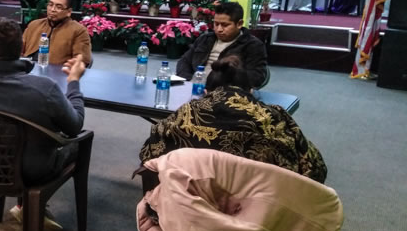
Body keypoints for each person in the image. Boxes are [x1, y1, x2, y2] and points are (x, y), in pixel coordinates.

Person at [0, 18, 87, 231]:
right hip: (33, 172)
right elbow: (75, 125)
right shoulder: (44, 89)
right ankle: (33, 206)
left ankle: (26, 206)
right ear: (23, 49)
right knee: (81, 142)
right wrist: (74, 81)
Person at [140, 55, 327, 183]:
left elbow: (149, 155)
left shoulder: (187, 112)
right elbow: (316, 168)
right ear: (250, 90)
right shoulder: (275, 115)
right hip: (263, 212)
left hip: (191, 205)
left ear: (205, 91)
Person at [176, 2, 268, 89]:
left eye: (225, 25)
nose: (219, 29)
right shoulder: (205, 39)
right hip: (195, 86)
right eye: (216, 24)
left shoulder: (253, 45)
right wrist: (190, 81)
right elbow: (184, 61)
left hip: (225, 91)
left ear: (239, 24)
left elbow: (257, 76)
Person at [21, 0, 92, 66]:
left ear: (69, 12)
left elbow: (82, 60)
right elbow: (19, 48)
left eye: (59, 7)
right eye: (50, 5)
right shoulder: (34, 25)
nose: (52, 9)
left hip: (58, 72)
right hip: (28, 69)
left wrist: (74, 64)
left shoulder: (79, 31)